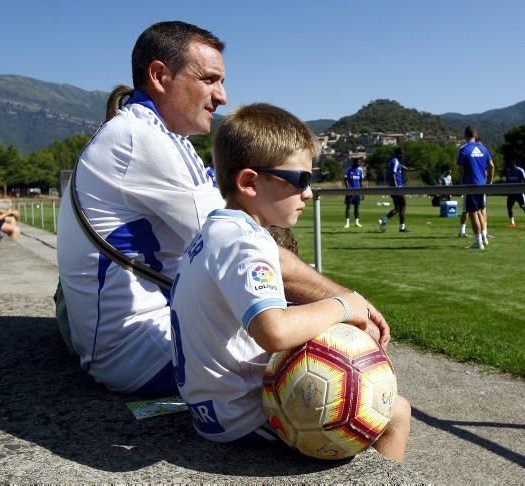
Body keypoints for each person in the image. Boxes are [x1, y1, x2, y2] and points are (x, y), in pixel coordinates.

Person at [56, 21, 389, 396]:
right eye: (210, 79)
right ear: (160, 75)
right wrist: (346, 302)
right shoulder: (143, 139)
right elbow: (241, 243)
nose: (223, 96)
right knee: (338, 361)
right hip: (135, 354)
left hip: (116, 338)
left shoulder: (137, 130)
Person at [170, 103, 411, 461]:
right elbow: (273, 331)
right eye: (300, 180)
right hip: (241, 418)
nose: (309, 193)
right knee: (396, 412)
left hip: (210, 412)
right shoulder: (247, 242)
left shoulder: (215, 230)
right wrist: (346, 305)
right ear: (250, 182)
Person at [457, 126, 494, 250]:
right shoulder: (483, 148)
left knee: (472, 213)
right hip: (482, 185)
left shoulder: (463, 149)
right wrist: (489, 182)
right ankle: (484, 237)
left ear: (465, 135)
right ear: (475, 134)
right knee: (480, 210)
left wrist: (462, 181)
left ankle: (479, 242)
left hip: (470, 185)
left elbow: (460, 169)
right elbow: (492, 166)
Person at [378, 147, 415, 232]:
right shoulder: (395, 161)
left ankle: (383, 220)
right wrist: (396, 188)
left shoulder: (394, 161)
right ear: (399, 154)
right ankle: (402, 227)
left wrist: (419, 168)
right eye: (403, 154)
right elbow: (393, 174)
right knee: (403, 205)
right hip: (397, 187)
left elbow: (407, 169)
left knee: (398, 208)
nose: (404, 155)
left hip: (394, 187)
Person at [503, 160, 525, 229]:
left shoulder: (520, 170)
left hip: (519, 193)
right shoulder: (508, 171)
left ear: (515, 165)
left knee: (524, 207)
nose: (512, 167)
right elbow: (507, 181)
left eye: (513, 165)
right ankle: (512, 222)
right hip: (511, 193)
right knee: (509, 207)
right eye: (511, 165)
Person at [344, 159, 364, 228]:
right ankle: (347, 223)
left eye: (359, 163)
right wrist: (349, 190)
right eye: (357, 163)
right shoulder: (348, 170)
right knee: (348, 207)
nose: (358, 164)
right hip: (349, 192)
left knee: (357, 207)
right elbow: (345, 181)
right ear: (354, 163)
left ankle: (356, 222)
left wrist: (362, 192)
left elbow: (361, 182)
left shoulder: (360, 170)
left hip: (357, 191)